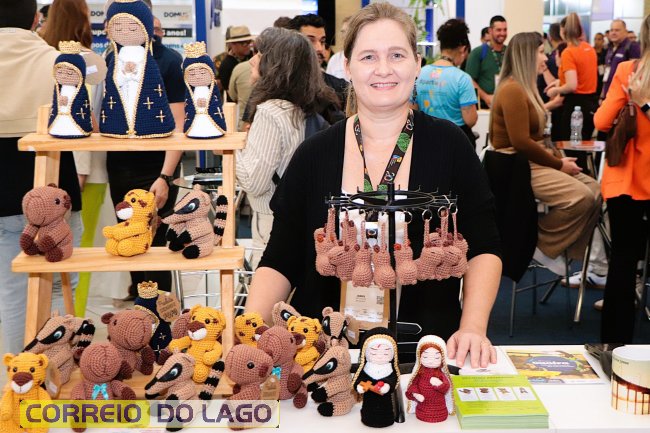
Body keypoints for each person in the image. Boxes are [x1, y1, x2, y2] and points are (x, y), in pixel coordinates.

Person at [245, 3, 502, 368]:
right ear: (348, 67)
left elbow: (485, 246)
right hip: (323, 357)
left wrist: (473, 327)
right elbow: (280, 259)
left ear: (417, 63)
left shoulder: (451, 146)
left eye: (396, 55)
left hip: (426, 354)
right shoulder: (314, 154)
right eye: (368, 57)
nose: (383, 69)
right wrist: (251, 331)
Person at [0, 0, 82, 354]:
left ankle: (22, 374)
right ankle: (58, 370)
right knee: (61, 286)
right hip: (53, 188)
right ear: (36, 18)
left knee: (11, 292)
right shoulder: (57, 62)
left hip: (3, 191)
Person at [490, 32, 600, 276]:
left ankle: (563, 251)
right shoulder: (512, 89)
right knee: (582, 197)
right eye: (541, 52)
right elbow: (521, 142)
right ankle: (541, 245)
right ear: (527, 55)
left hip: (534, 161)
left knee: (596, 191)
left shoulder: (526, 88)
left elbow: (536, 139)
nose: (546, 58)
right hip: (518, 165)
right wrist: (559, 165)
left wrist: (558, 161)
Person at [235, 27, 339, 269]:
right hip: (299, 215)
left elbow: (253, 182)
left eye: (259, 53)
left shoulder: (270, 112)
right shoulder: (301, 108)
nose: (252, 60)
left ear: (274, 63)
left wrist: (232, 150)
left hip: (271, 219)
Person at [104, 0, 183, 299]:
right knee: (128, 234)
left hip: (156, 167)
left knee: (157, 242)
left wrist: (165, 176)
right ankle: (137, 310)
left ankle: (160, 314)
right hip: (119, 166)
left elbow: (178, 123)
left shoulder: (169, 61)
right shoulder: (111, 58)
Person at [594, 13, 650, 343]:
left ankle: (614, 345)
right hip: (635, 181)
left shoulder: (629, 71)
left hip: (625, 182)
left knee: (623, 261)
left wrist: (640, 104)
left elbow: (602, 121)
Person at [413, 19, 477, 145]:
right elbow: (470, 120)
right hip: (456, 141)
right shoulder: (462, 79)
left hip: (426, 139)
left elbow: (412, 110)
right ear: (463, 49)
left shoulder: (418, 74)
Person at [545, 13, 598, 142]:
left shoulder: (568, 52)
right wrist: (559, 81)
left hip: (575, 106)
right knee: (583, 145)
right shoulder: (589, 49)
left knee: (571, 147)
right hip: (591, 103)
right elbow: (582, 75)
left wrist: (555, 90)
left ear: (563, 31)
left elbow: (572, 85)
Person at [288, 14, 348, 110]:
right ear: (292, 44)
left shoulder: (340, 88)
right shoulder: (281, 87)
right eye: (311, 41)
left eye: (322, 41)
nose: (320, 48)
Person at [405, 335, 454, 423]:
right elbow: (414, 385)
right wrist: (416, 394)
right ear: (419, 357)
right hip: (422, 407)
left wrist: (439, 384)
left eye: (436, 357)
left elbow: (446, 387)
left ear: (442, 358)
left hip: (439, 409)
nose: (430, 361)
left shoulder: (441, 374)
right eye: (425, 357)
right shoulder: (419, 374)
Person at [465, 15, 508, 108]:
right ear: (490, 31)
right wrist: (486, 97)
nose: (502, 33)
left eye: (505, 30)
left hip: (506, 104)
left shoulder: (510, 52)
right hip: (484, 106)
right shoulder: (478, 53)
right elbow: (469, 80)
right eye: (499, 30)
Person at [600, 20, 640, 102]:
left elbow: (636, 74)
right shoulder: (610, 48)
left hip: (623, 97)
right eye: (611, 30)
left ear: (625, 31)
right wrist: (602, 95)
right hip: (609, 95)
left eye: (617, 30)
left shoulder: (632, 47)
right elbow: (607, 73)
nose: (613, 33)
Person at [218, 25, 253, 101]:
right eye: (244, 43)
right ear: (233, 44)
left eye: (249, 42)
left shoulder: (253, 56)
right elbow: (230, 92)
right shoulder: (226, 65)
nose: (248, 46)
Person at [326, 15, 352, 81]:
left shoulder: (363, 57)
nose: (344, 36)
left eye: (347, 31)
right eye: (343, 32)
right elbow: (328, 82)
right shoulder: (335, 59)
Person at [593, 32, 607, 96]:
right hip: (593, 77)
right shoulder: (591, 51)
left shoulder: (606, 52)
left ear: (603, 41)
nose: (596, 41)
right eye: (595, 39)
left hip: (602, 77)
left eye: (599, 39)